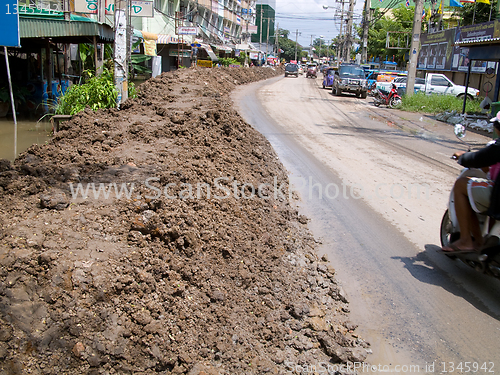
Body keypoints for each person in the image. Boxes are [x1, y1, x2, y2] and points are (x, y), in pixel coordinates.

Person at [443, 111, 500, 252]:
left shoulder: (497, 147)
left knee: (461, 185)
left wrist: (463, 157)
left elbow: (480, 159)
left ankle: (466, 241)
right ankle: (484, 242)